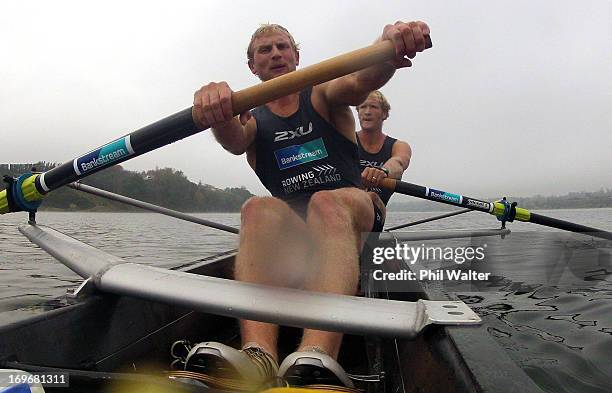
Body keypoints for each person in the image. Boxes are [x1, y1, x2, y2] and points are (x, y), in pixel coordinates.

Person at [186, 21, 430, 388]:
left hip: (352, 210)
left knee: (325, 203)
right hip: (295, 229)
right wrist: (216, 109)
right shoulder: (250, 115)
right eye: (265, 50)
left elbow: (359, 81)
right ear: (252, 66)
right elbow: (234, 141)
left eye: (283, 47)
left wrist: (388, 50)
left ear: (297, 56)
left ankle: (317, 355)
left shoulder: (321, 92)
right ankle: (258, 355)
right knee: (256, 209)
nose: (276, 54)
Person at [357, 90, 412, 209]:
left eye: (373, 107)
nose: (367, 112)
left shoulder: (399, 146)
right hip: (343, 206)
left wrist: (383, 171)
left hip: (375, 207)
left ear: (385, 114)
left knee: (370, 196)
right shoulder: (345, 142)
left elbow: (399, 162)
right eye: (362, 107)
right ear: (358, 112)